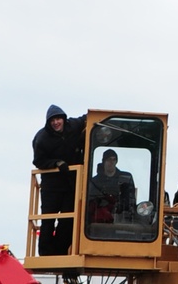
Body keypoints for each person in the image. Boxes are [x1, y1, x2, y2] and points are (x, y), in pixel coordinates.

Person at [32, 105, 86, 255]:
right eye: (53, 120)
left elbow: (85, 119)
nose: (56, 122)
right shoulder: (42, 138)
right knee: (48, 219)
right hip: (52, 186)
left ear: (63, 118)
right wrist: (56, 163)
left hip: (70, 183)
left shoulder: (73, 126)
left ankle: (61, 250)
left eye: (58, 119)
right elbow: (38, 161)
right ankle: (45, 253)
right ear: (48, 123)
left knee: (68, 219)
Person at [86, 148, 137, 225]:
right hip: (98, 220)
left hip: (121, 218)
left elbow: (130, 200)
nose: (111, 162)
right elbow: (90, 202)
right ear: (103, 161)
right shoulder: (94, 182)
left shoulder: (126, 178)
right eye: (109, 159)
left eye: (114, 159)